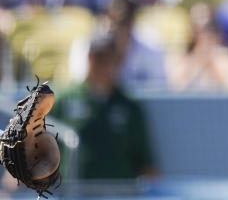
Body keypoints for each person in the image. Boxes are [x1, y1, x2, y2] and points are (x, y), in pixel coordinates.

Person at [52, 29, 156, 180]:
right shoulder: (64, 100)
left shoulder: (129, 106)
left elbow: (145, 163)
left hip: (118, 196)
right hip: (73, 196)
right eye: (99, 58)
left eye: (110, 59)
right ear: (89, 58)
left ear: (119, 62)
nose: (104, 66)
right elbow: (37, 148)